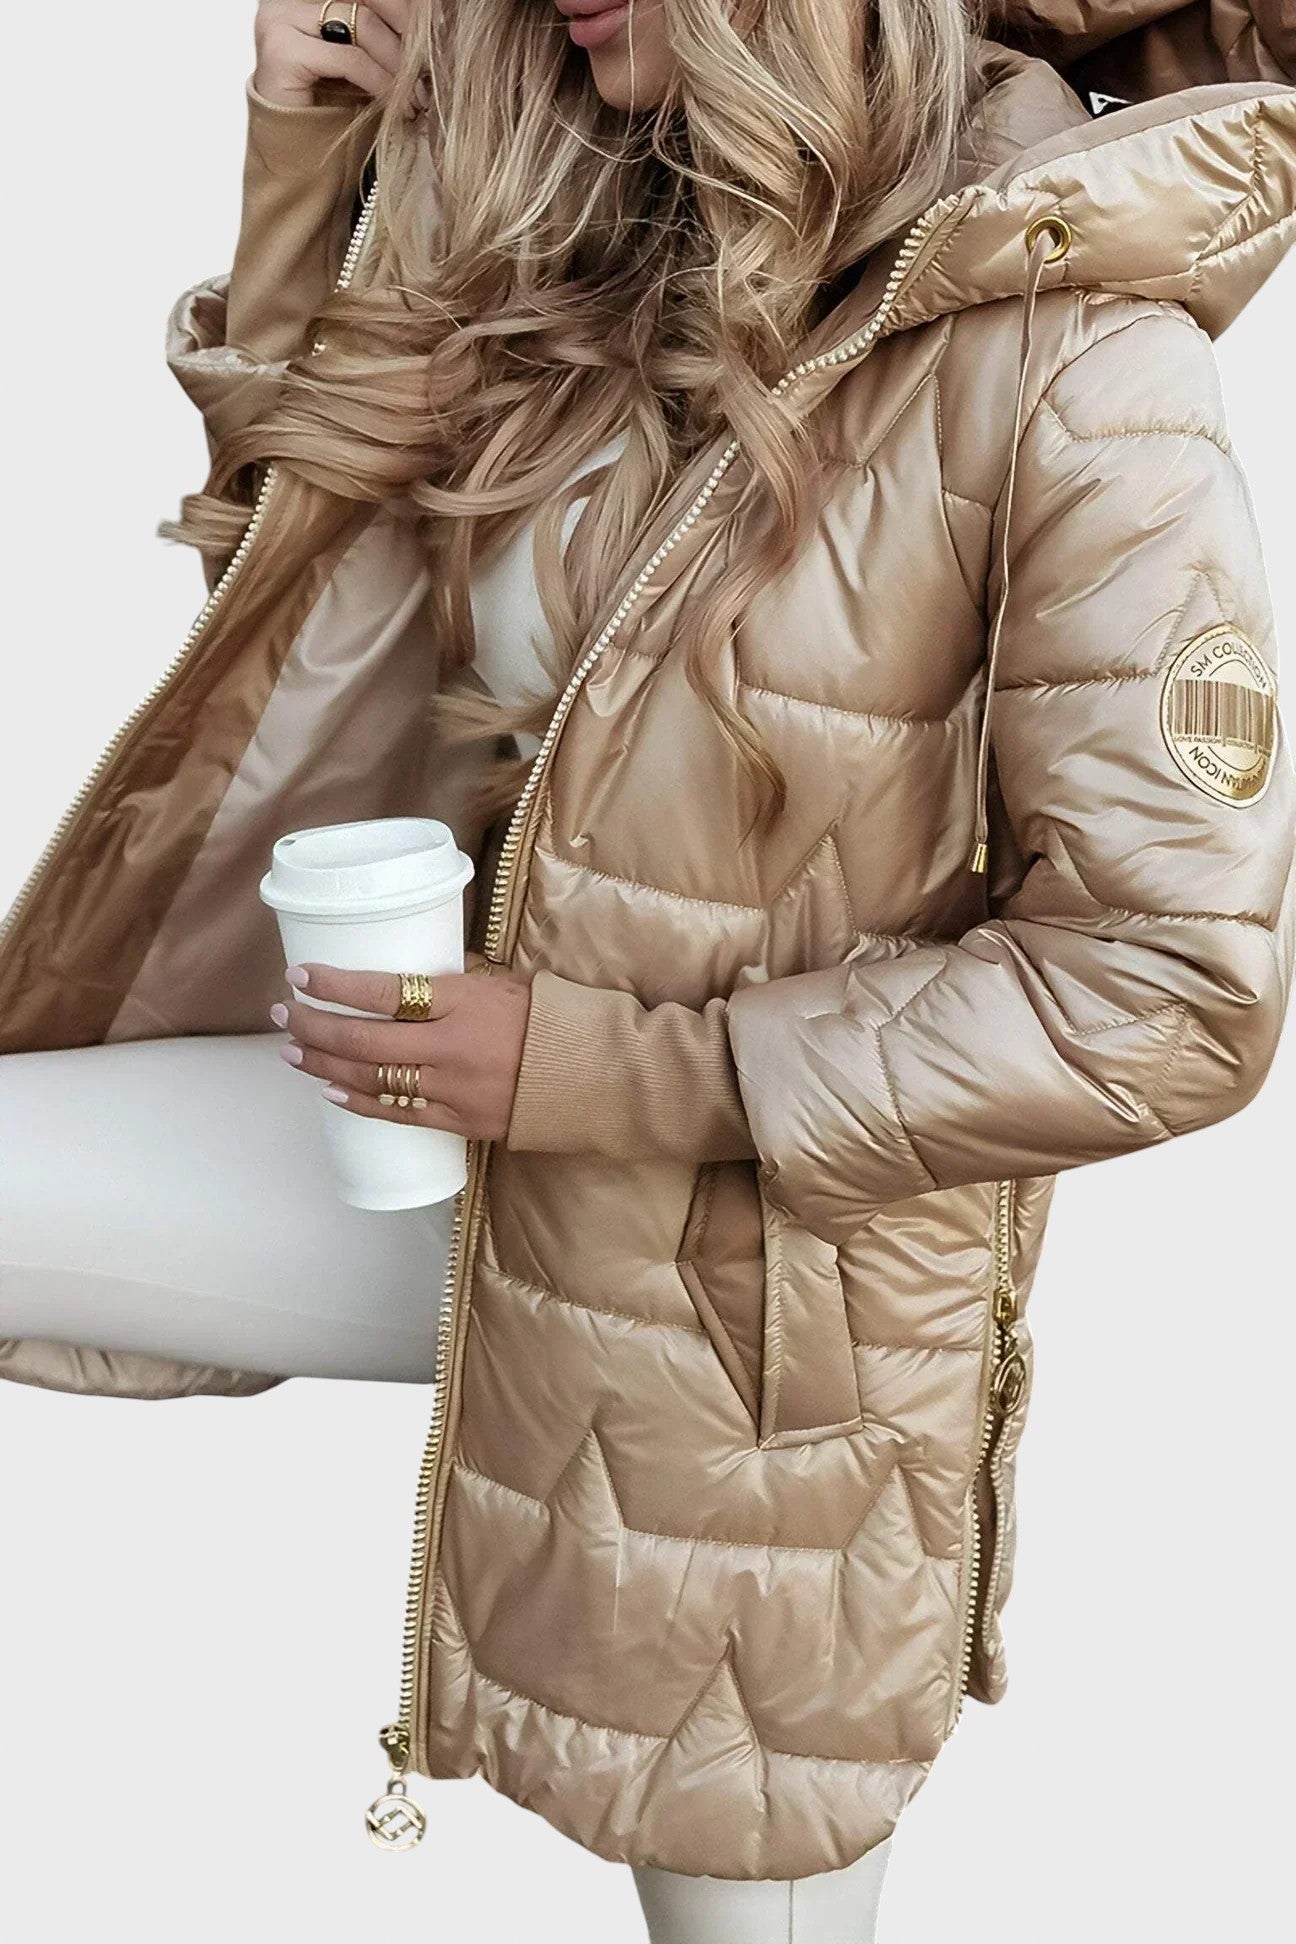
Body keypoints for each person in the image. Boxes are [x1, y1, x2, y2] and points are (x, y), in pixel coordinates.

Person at [2, 2, 1294, 1938]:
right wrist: (304, 167)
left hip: (757, 1330)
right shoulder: (597, 247)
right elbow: (295, 637)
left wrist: (597, 1072)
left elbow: (1175, 988)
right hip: (453, 1132)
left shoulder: (1084, 354)